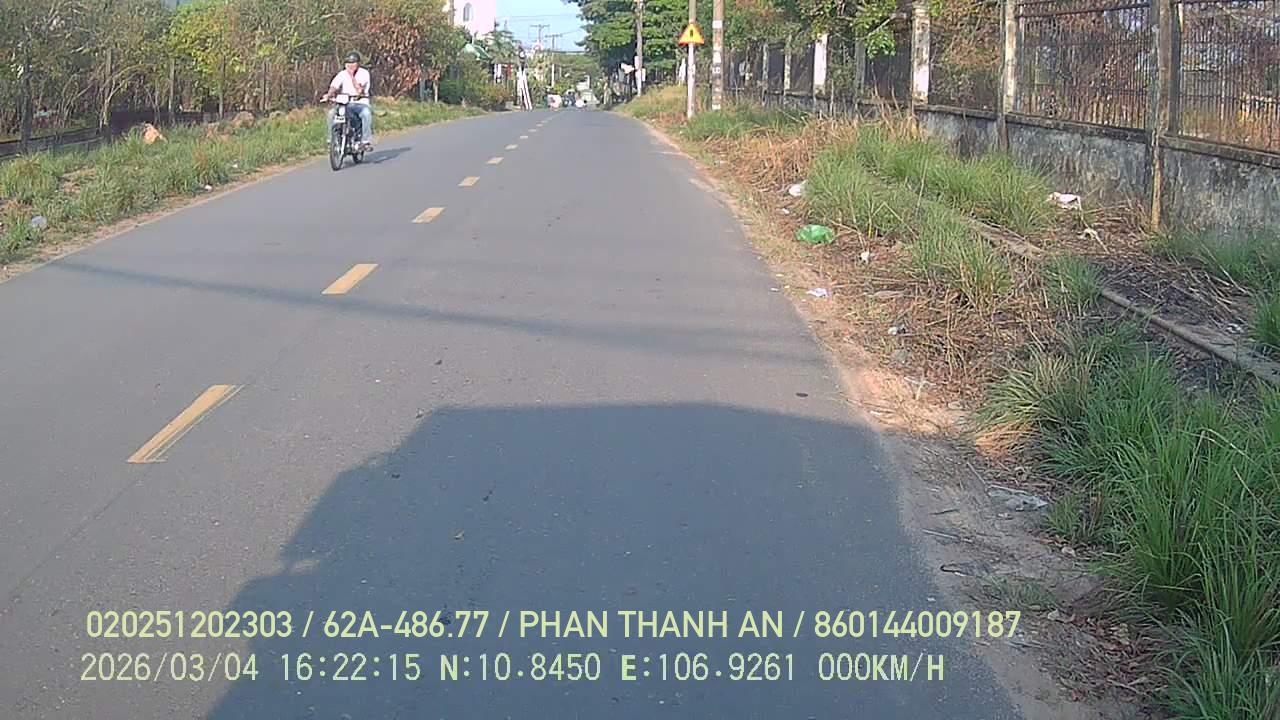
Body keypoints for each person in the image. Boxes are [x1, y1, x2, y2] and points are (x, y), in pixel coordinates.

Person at [323, 51, 374, 151]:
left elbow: (359, 90)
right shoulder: (342, 74)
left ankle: (365, 141)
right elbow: (334, 86)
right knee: (331, 114)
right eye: (349, 63)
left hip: (360, 103)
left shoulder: (364, 73)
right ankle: (331, 141)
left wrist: (351, 76)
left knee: (366, 113)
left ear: (358, 63)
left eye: (353, 63)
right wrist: (329, 95)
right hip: (345, 103)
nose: (351, 65)